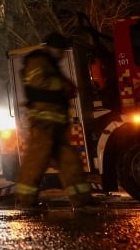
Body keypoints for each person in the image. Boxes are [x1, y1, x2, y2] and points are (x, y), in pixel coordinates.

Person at [14, 32, 92, 210]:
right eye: (61, 50)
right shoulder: (37, 60)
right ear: (52, 48)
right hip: (43, 121)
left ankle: (82, 200)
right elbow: (38, 81)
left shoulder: (50, 63)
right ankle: (25, 201)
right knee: (37, 161)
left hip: (55, 123)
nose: (63, 54)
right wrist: (64, 86)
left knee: (70, 161)